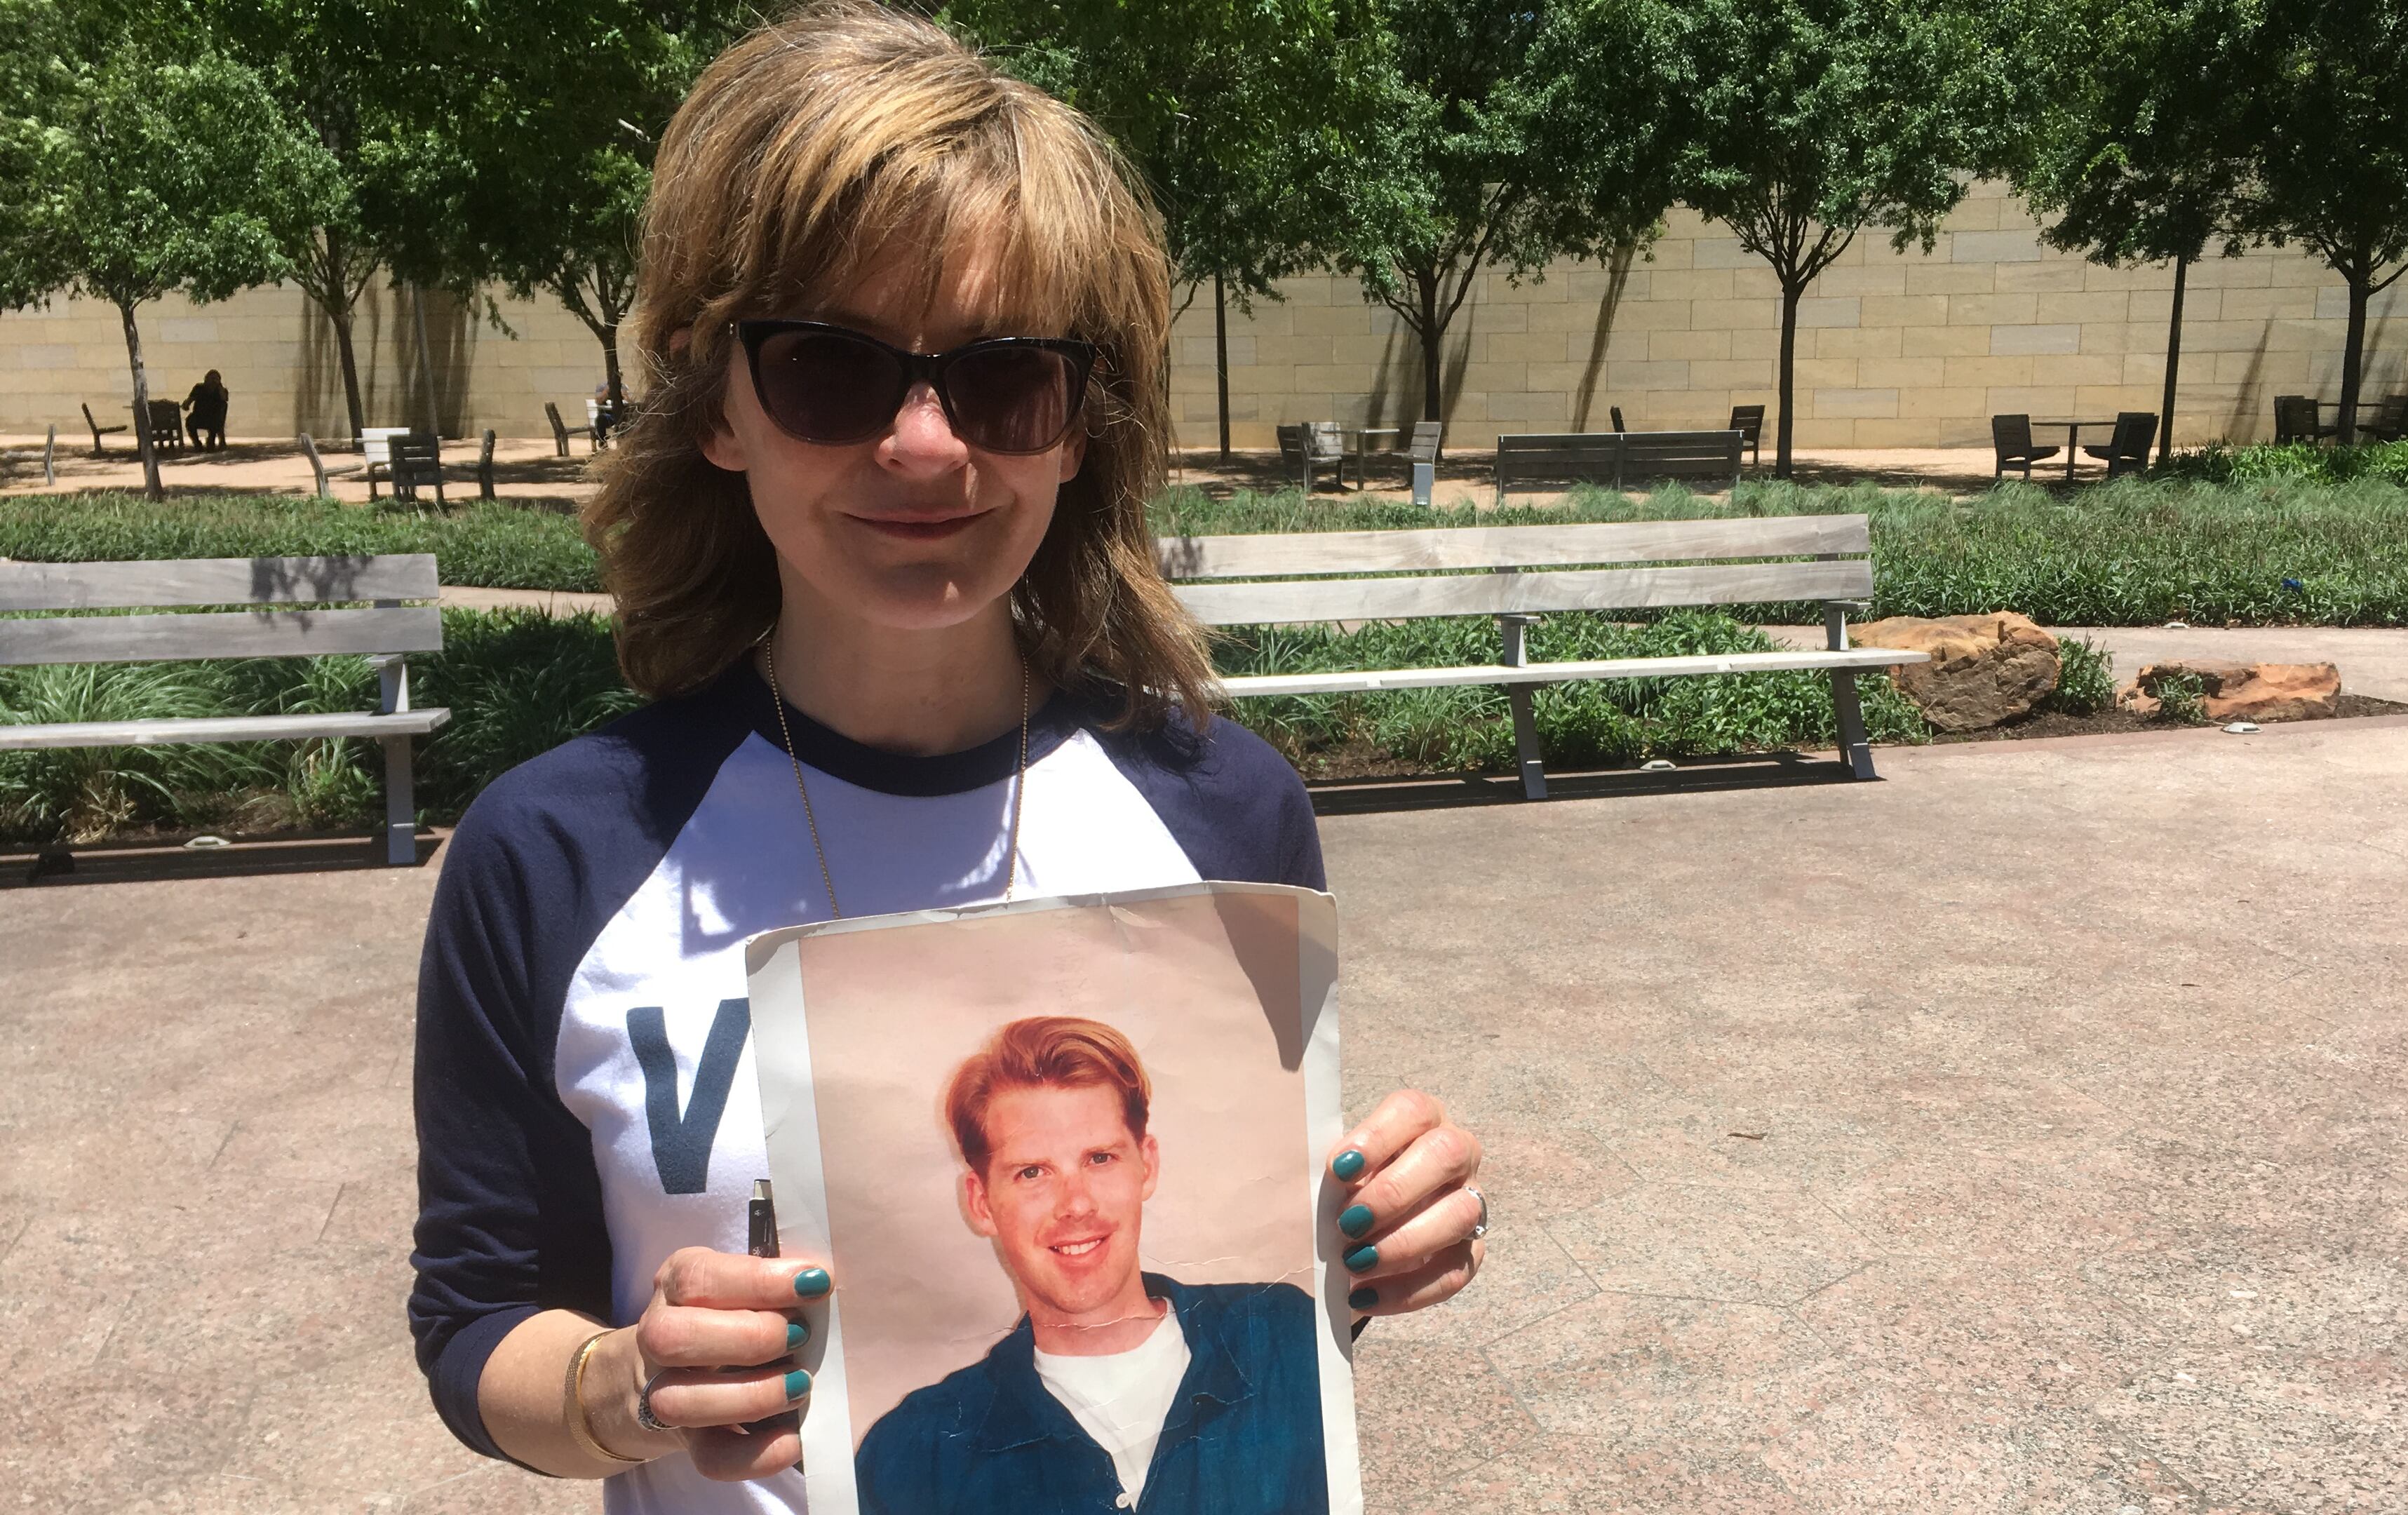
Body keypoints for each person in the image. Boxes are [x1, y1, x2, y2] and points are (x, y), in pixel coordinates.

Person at [405, 7, 1490, 1514]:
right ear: (715, 399)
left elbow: (1263, 1297)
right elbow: (474, 1327)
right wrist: (622, 1387)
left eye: (1002, 377)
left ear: (1079, 422)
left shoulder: (1229, 810)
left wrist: (1372, 1240)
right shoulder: (556, 853)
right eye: (830, 370)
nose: (925, 446)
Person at [857, 1018, 1324, 1514]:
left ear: (1147, 1165)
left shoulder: (1285, 1338)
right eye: (1032, 1172)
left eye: (1099, 1158)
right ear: (982, 1202)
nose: (1076, 1205)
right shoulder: (914, 1452)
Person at [183, 370, 227, 450]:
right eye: (211, 378)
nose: (212, 381)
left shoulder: (221, 391)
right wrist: (186, 404)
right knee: (190, 421)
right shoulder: (199, 388)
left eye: (215, 379)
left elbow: (224, 399)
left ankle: (211, 442)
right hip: (199, 416)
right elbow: (190, 399)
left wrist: (219, 387)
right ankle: (197, 443)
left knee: (215, 422)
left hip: (214, 417)